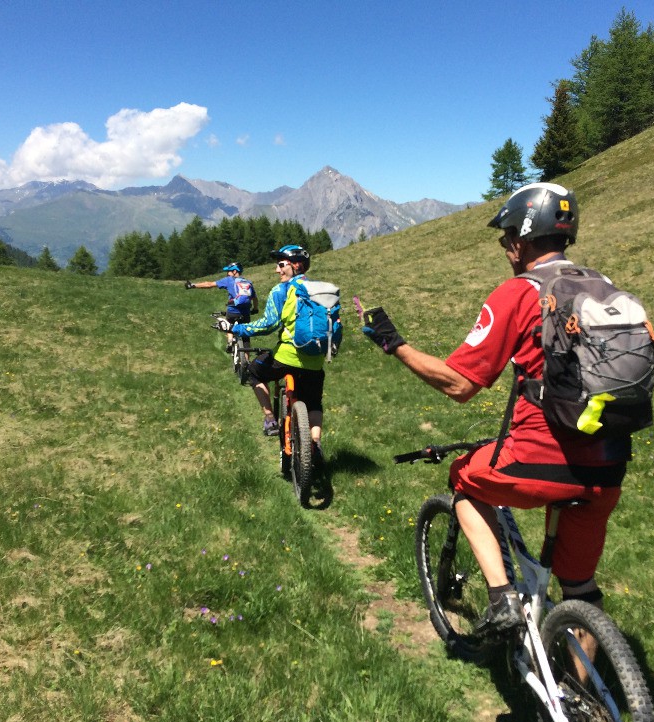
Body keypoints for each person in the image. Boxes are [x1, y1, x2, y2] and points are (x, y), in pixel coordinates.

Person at [362, 182, 630, 639]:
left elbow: (459, 384)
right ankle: (580, 704)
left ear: (522, 239)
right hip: (607, 463)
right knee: (580, 588)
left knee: (465, 479)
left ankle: (502, 598)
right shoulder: (604, 288)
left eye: (507, 235)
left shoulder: (518, 293)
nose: (505, 245)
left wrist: (396, 346)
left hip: (539, 457)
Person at [230, 245, 327, 467]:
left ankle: (270, 419)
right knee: (313, 403)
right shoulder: (318, 289)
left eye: (281, 264)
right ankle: (315, 444)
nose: (277, 270)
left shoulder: (282, 290)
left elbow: (269, 324)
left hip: (286, 357)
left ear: (295, 266)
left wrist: (238, 329)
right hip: (315, 361)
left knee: (254, 372)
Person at [186, 262, 258, 349]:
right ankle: (246, 359)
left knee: (229, 324)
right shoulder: (248, 282)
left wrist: (193, 285)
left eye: (229, 271)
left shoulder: (228, 280)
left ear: (235, 271)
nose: (227, 273)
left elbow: (209, 284)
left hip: (233, 312)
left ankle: (230, 342)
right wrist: (255, 309)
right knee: (246, 338)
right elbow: (254, 298)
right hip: (245, 313)